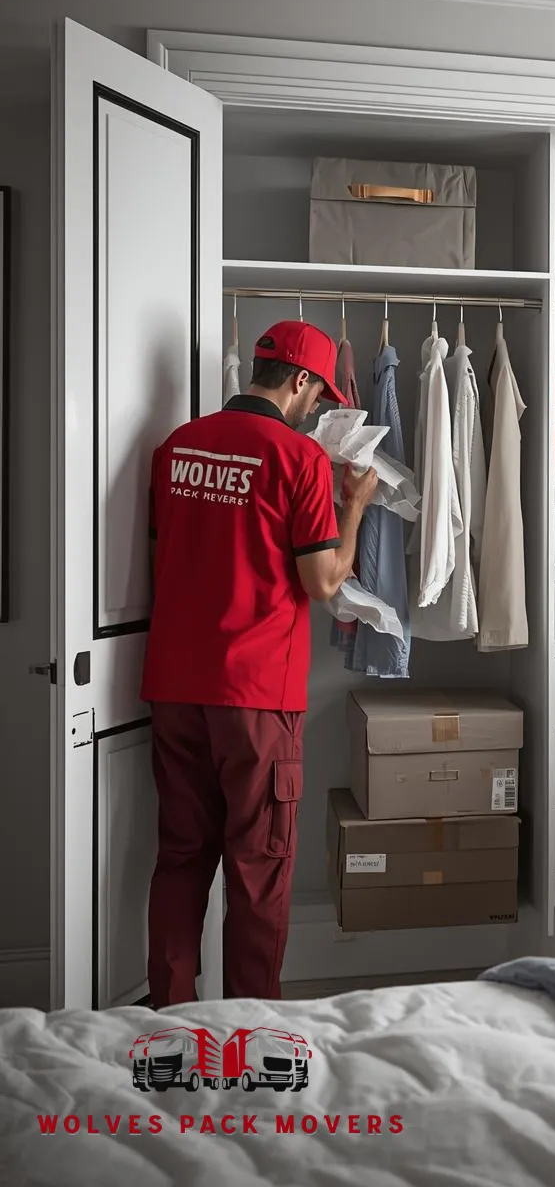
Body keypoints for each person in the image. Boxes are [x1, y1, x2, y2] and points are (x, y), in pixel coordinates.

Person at [141, 319, 378, 1006]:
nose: (319, 407)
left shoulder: (177, 447)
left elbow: (160, 560)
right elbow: (323, 582)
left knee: (181, 856)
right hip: (255, 696)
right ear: (301, 381)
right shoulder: (298, 459)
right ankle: (250, 1023)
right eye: (320, 394)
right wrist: (354, 507)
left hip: (174, 685)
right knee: (258, 866)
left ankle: (169, 1017)